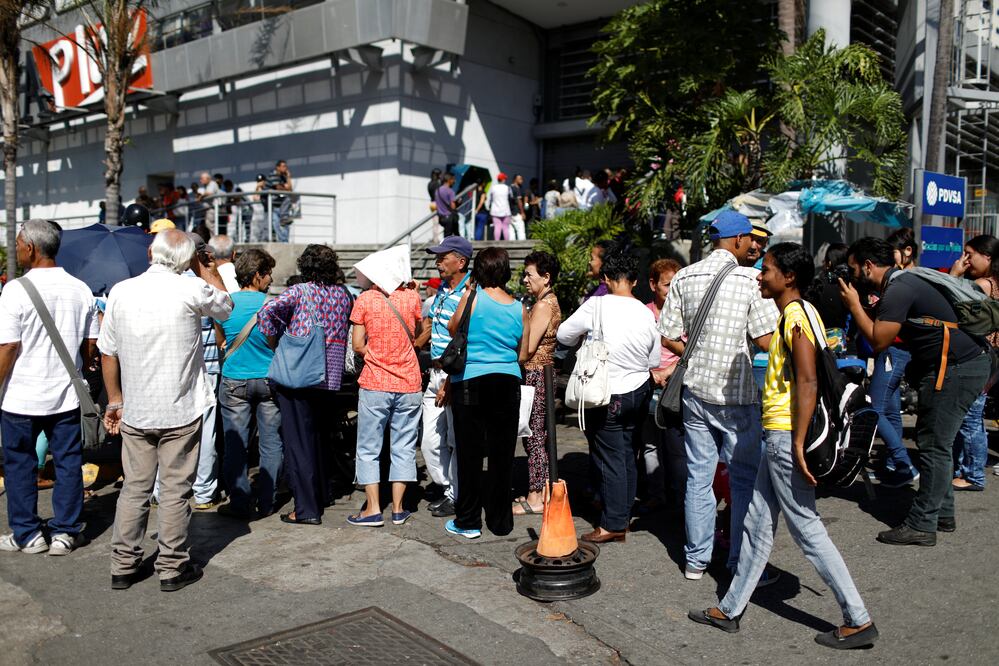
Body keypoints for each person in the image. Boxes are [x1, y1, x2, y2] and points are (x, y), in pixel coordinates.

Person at [690, 242, 878, 651]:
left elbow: (808, 380)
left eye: (767, 269)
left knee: (807, 528)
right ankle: (731, 608)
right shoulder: (803, 312)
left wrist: (795, 441)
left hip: (783, 434)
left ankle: (858, 619)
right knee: (757, 519)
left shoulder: (794, 317)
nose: (760, 275)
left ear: (788, 278)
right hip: (777, 434)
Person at [100, 229, 232, 591]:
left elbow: (107, 350)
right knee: (175, 491)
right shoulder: (190, 288)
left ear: (149, 253)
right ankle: (171, 567)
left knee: (135, 489)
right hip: (180, 408)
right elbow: (226, 307)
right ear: (187, 259)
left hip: (137, 408)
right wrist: (208, 269)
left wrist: (115, 399)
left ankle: (122, 565)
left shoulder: (121, 291)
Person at [840, 238, 990, 546]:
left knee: (934, 443)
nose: (851, 275)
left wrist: (854, 305)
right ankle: (941, 513)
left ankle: (922, 523)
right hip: (963, 364)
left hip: (956, 368)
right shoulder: (907, 280)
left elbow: (879, 340)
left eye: (854, 269)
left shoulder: (899, 288)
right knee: (938, 441)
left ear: (868, 266)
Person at [659, 210, 778, 581]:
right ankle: (738, 560)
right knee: (743, 479)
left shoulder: (684, 275)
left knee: (699, 477)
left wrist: (696, 354)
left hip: (694, 391)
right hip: (737, 394)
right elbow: (765, 340)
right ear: (739, 239)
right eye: (751, 240)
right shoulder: (750, 279)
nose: (754, 246)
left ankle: (696, 561)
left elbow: (667, 335)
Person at [0, 220, 98, 556]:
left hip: (21, 396)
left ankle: (27, 534)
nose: (15, 248)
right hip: (67, 394)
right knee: (69, 462)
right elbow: (91, 346)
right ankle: (65, 532)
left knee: (19, 464)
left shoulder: (15, 290)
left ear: (30, 247)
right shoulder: (81, 289)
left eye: (17, 243)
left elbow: (8, 347)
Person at [557, 246, 660, 543]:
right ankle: (622, 514)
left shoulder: (597, 305)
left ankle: (613, 524)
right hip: (639, 390)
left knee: (609, 458)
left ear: (606, 277)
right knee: (627, 454)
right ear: (635, 281)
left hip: (608, 394)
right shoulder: (645, 311)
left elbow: (564, 334)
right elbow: (653, 360)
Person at [257, 245, 352, 525]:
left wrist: (277, 337)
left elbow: (267, 314)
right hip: (330, 376)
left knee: (298, 443)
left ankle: (306, 509)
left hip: (299, 375)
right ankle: (320, 495)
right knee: (320, 439)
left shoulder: (300, 291)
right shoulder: (343, 295)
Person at [445, 247, 527, 539]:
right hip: (507, 381)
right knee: (502, 454)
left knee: (469, 453)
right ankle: (501, 521)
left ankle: (468, 521)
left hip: (470, 379)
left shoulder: (472, 297)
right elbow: (524, 351)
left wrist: (468, 293)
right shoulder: (519, 307)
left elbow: (454, 328)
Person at [346, 247, 424, 527]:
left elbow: (357, 345)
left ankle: (373, 509)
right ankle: (399, 509)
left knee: (368, 447)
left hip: (375, 382)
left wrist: (376, 354)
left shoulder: (365, 299)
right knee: (403, 446)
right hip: (410, 383)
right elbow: (416, 334)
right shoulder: (412, 297)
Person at [216, 249, 282, 520]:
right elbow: (278, 340)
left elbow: (222, 338)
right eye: (268, 274)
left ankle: (240, 502)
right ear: (257, 275)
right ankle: (267, 500)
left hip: (234, 380)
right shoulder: (273, 304)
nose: (270, 279)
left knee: (236, 444)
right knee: (271, 443)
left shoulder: (224, 303)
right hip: (268, 379)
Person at [414, 236, 474, 517]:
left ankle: (456, 495)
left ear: (460, 261)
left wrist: (450, 381)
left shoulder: (470, 292)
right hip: (436, 372)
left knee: (454, 439)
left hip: (455, 375)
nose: (438, 261)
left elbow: (463, 342)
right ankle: (450, 487)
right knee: (429, 440)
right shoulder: (443, 291)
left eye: (443, 256)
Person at [866, 228, 920, 488]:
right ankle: (896, 465)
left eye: (893, 252)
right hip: (893, 351)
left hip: (895, 350)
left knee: (875, 408)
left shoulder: (903, 282)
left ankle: (903, 463)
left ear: (907, 252)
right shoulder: (897, 281)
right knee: (890, 410)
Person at [513, 251, 562, 516]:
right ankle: (538, 491)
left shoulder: (544, 305)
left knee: (534, 436)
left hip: (536, 374)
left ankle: (537, 496)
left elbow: (528, 348)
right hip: (540, 373)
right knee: (536, 434)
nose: (524, 280)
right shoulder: (547, 301)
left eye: (529, 275)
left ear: (546, 277)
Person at [948, 234, 999, 491]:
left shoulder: (983, 284)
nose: (965, 260)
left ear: (987, 257)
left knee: (970, 416)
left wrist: (954, 274)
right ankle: (966, 468)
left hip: (982, 356)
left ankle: (973, 474)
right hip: (993, 359)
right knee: (973, 415)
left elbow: (950, 300)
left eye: (970, 254)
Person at [640, 258, 685, 511]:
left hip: (675, 385)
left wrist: (669, 370)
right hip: (648, 384)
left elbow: (690, 351)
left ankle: (680, 495)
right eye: (667, 285)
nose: (672, 291)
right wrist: (650, 373)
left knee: (677, 447)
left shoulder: (685, 313)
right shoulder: (644, 314)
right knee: (649, 445)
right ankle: (655, 494)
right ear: (653, 284)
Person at [264, 160, 293, 242]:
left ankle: (285, 241)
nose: (285, 168)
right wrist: (286, 189)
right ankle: (282, 240)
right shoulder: (273, 174)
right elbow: (278, 188)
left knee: (285, 222)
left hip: (280, 204)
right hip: (270, 204)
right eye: (283, 166)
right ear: (278, 167)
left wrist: (288, 177)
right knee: (276, 223)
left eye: (286, 166)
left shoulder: (283, 177)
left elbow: (290, 189)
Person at [487, 173, 514, 241]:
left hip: (495, 210)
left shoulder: (493, 188)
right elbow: (511, 198)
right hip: (506, 210)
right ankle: (507, 243)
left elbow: (490, 199)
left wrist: (489, 208)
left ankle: (497, 242)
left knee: (497, 227)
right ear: (503, 179)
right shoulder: (507, 188)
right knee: (505, 227)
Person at [435, 172, 458, 238]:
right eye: (453, 179)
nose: (454, 181)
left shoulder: (438, 190)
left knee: (446, 237)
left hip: (441, 218)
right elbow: (453, 206)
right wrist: (458, 203)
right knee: (454, 236)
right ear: (449, 180)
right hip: (449, 218)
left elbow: (437, 204)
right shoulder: (450, 191)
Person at [510, 174, 527, 240]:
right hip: (517, 213)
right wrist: (522, 212)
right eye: (520, 179)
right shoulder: (516, 188)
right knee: (521, 232)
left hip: (509, 213)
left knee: (511, 233)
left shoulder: (509, 188)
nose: (522, 180)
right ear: (515, 179)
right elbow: (519, 201)